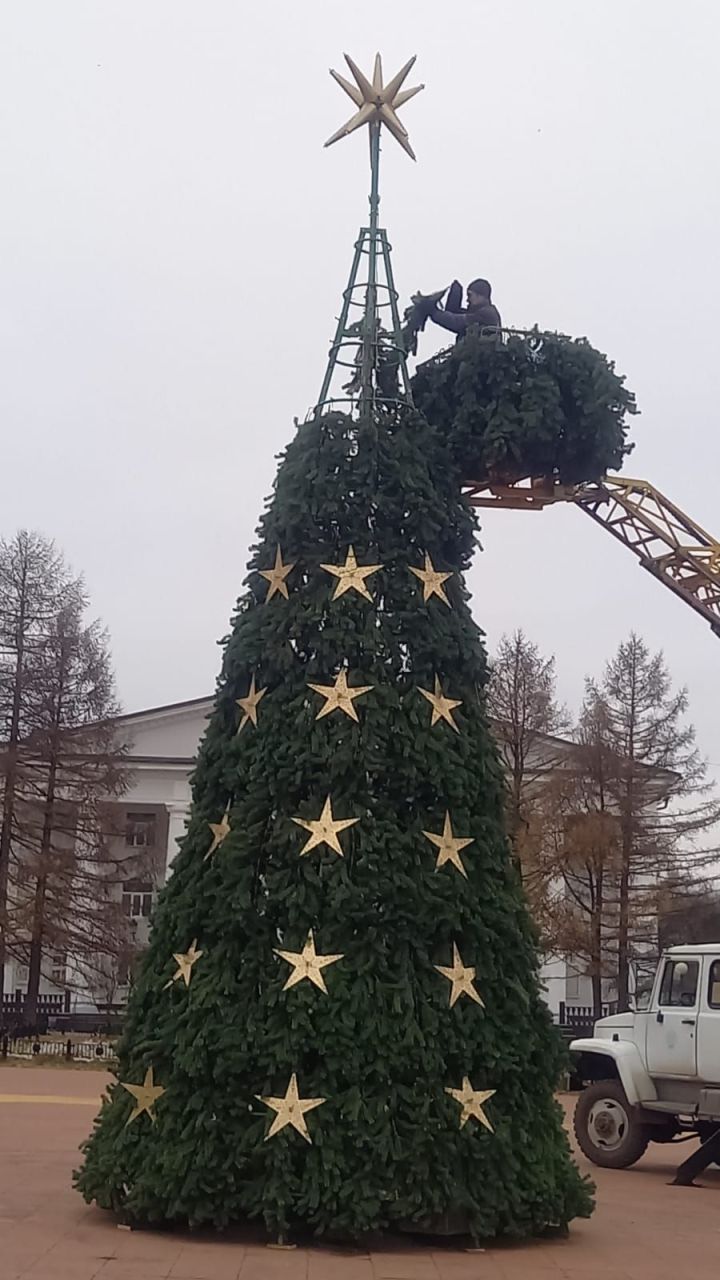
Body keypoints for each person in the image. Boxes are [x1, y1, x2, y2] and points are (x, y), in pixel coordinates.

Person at [430, 278, 501, 339]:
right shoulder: (478, 313)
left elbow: (456, 322)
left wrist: (433, 312)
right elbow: (454, 314)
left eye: (470, 295)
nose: (467, 300)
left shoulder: (487, 313)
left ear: (480, 296)